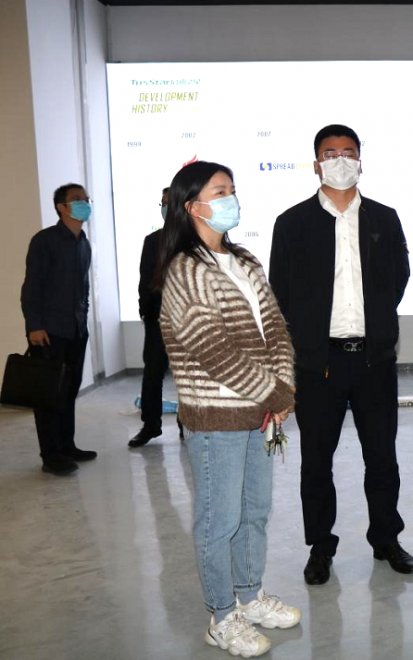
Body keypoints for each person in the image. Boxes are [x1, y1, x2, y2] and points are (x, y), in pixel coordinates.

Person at [157, 161, 300, 656]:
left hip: (259, 413)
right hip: (216, 418)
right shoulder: (184, 270)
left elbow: (275, 328)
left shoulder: (245, 261)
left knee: (254, 511)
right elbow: (212, 349)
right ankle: (220, 616)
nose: (230, 199)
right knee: (219, 521)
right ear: (192, 205)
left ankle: (249, 595)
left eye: (232, 190)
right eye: (220, 192)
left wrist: (282, 386)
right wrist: (274, 393)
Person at [269, 124, 413, 587]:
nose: (339, 160)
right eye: (330, 153)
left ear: (360, 161)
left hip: (374, 360)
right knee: (317, 461)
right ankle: (321, 546)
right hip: (319, 364)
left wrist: (377, 323)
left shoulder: (384, 218)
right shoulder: (291, 223)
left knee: (383, 458)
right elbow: (281, 291)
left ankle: (386, 539)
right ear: (316, 165)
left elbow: (398, 279)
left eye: (348, 152)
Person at [20, 183, 96, 476]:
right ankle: (50, 456)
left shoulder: (83, 243)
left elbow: (83, 288)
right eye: (77, 200)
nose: (84, 204)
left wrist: (83, 320)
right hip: (49, 332)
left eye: (86, 199)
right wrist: (34, 326)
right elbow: (32, 287)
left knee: (69, 390)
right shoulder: (45, 241)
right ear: (61, 207)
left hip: (76, 330)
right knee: (48, 394)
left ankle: (67, 446)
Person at [130, 187, 170, 447]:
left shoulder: (197, 239)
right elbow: (145, 278)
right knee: (153, 373)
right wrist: (145, 310)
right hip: (158, 317)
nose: (165, 208)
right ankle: (150, 425)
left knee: (191, 376)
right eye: (162, 203)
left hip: (191, 320)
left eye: (170, 203)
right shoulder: (153, 240)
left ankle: (188, 425)